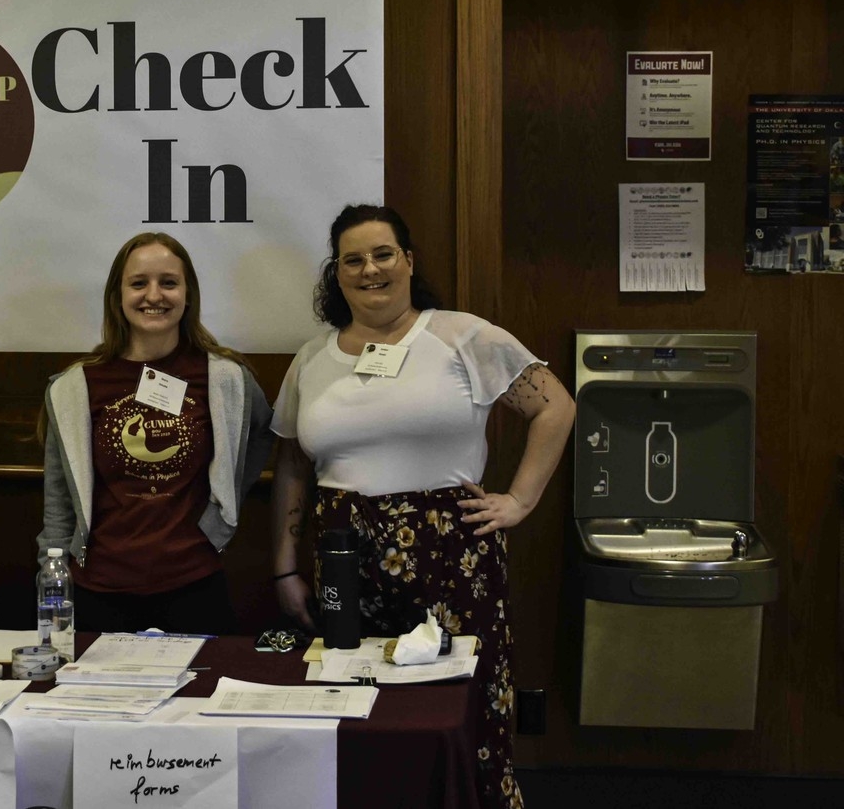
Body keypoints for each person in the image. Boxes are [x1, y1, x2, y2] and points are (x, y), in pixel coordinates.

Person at [270, 205, 574, 809]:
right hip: (342, 561)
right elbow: (293, 466)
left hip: (451, 555)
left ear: (408, 262)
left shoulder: (463, 336)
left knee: (461, 711)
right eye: (352, 260)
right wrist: (283, 566)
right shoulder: (312, 358)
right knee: (355, 715)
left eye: (383, 254)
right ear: (337, 274)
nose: (369, 269)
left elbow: (556, 407)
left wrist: (519, 499)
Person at [37, 232, 274, 634]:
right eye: (138, 283)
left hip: (194, 586)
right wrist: (52, 579)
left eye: (168, 282)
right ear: (118, 295)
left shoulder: (225, 378)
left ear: (187, 293)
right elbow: (59, 502)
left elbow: (262, 437)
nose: (154, 295)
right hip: (99, 591)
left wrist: (222, 509)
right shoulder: (74, 387)